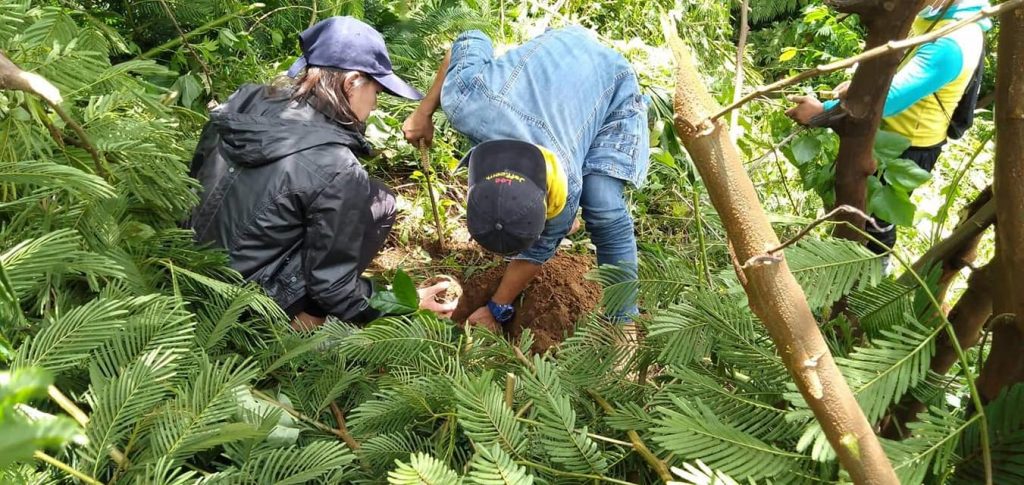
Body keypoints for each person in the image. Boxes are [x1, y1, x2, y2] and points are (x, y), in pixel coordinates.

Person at [187, 17, 455, 330]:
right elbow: (332, 288)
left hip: (187, 262)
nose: (376, 103)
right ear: (352, 82)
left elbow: (195, 176)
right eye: (377, 90)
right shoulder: (337, 166)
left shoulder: (246, 98)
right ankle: (305, 325)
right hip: (244, 305)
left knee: (371, 196)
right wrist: (404, 302)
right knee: (381, 202)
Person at [403, 26, 649, 328]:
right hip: (553, 81)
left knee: (603, 207)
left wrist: (496, 307)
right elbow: (469, 39)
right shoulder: (465, 101)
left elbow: (537, 252)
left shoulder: (567, 186)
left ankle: (623, 324)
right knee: (564, 219)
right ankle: (563, 227)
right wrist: (423, 112)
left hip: (609, 87)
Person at [786, 0, 990, 254]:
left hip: (908, 148)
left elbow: (885, 101)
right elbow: (906, 67)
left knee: (876, 224)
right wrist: (860, 85)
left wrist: (821, 112)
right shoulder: (937, 14)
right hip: (888, 133)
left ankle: (873, 277)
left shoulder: (954, 42)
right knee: (855, 210)